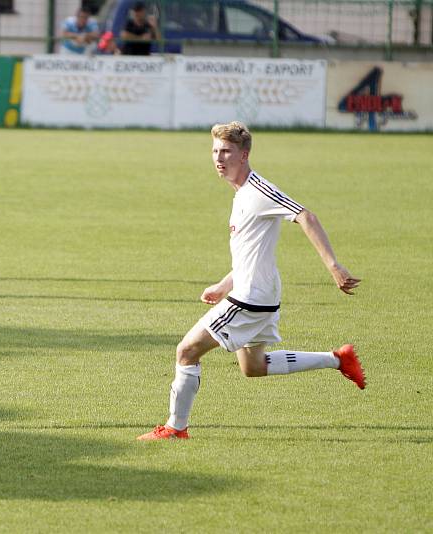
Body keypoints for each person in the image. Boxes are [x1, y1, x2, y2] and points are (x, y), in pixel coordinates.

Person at [138, 121, 365, 441]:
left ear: (243, 155)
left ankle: (175, 428)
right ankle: (338, 359)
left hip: (252, 297)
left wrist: (333, 265)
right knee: (253, 366)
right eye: (215, 150)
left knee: (187, 351)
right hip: (256, 291)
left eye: (227, 151)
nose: (219, 157)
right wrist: (223, 285)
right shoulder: (242, 194)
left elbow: (306, 216)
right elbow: (251, 253)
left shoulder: (260, 190)